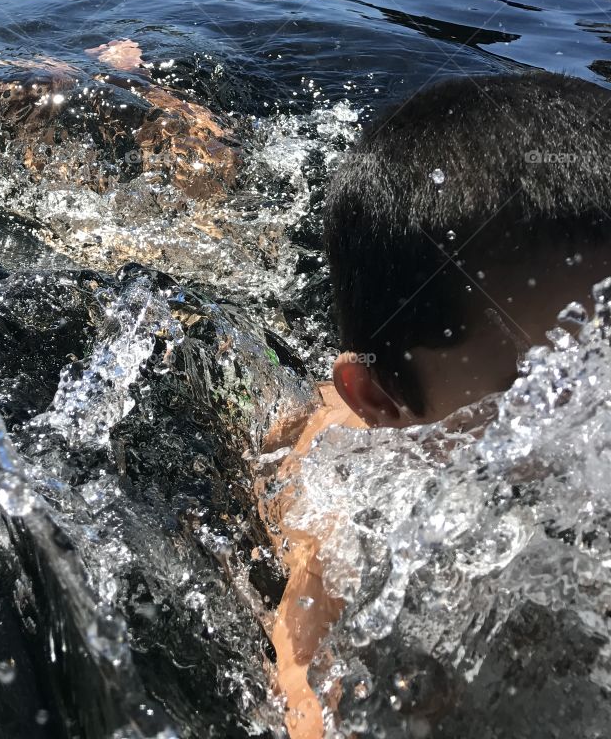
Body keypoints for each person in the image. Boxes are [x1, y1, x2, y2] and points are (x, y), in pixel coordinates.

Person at [258, 70, 611, 736]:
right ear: (385, 398)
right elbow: (298, 671)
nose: (596, 404)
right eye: (541, 381)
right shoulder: (349, 506)